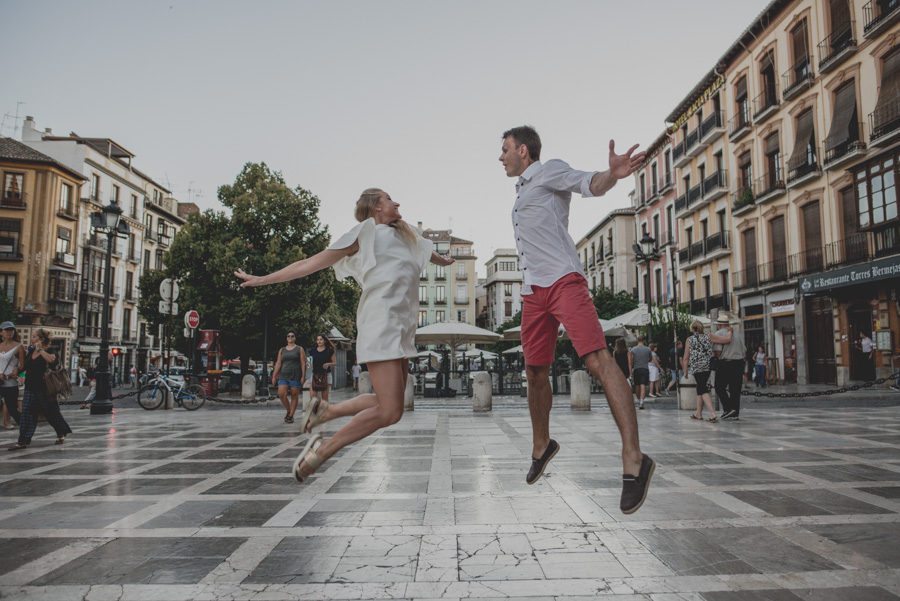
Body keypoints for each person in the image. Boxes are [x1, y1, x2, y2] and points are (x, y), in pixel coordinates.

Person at [235, 188, 453, 482]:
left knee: (392, 408)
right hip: (381, 322)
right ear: (375, 207)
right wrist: (262, 279)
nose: (397, 202)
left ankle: (326, 411)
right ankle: (324, 449)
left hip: (402, 328)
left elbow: (430, 253)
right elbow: (310, 263)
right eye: (389, 199)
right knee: (388, 411)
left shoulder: (407, 235)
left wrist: (446, 261)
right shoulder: (365, 233)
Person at [499, 125, 653, 514]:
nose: (500, 158)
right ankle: (541, 445)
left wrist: (612, 176)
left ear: (522, 150)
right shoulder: (521, 192)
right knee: (535, 370)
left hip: (564, 282)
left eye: (504, 150)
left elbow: (590, 184)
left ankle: (634, 458)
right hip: (533, 290)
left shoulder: (548, 170)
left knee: (597, 359)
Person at [8, 329, 72, 450]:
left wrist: (40, 350)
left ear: (41, 339)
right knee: (26, 413)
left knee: (51, 413)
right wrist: (18, 370)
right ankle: (23, 441)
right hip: (30, 387)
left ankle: (60, 431)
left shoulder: (49, 350)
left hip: (45, 388)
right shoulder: (31, 351)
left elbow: (51, 360)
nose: (31, 339)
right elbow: (25, 366)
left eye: (34, 337)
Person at [682, 320, 732, 423]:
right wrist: (730, 331)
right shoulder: (709, 336)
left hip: (696, 367)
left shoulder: (689, 340)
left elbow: (686, 358)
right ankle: (698, 413)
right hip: (707, 366)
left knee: (703, 389)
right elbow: (726, 340)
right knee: (700, 388)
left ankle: (713, 414)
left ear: (693, 329)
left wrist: (685, 371)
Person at [713, 314, 746, 421]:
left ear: (719, 325)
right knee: (735, 389)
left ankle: (728, 408)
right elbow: (744, 351)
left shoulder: (719, 333)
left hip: (726, 363)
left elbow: (718, 352)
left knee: (719, 386)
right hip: (739, 363)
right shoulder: (737, 334)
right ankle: (735, 412)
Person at [272, 330, 306, 424]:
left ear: (295, 338)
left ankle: (290, 416)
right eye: (288, 336)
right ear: (286, 338)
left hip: (296, 375)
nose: (290, 337)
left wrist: (303, 376)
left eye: (292, 336)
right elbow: (278, 363)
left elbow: (303, 363)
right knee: (282, 394)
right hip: (283, 375)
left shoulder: (299, 349)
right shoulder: (282, 350)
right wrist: (274, 375)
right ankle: (288, 411)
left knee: (294, 396)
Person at [0, 322, 25, 429]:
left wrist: (16, 371)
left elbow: (23, 366)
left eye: (11, 330)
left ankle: (25, 427)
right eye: (6, 330)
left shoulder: (19, 346)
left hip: (10, 382)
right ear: (1, 332)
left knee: (12, 409)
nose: (9, 332)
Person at [308, 334, 336, 404]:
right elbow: (309, 363)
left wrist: (328, 364)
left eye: (321, 339)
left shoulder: (329, 351)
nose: (319, 341)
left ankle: (325, 413)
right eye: (317, 340)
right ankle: (316, 412)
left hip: (326, 375)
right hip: (315, 374)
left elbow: (334, 363)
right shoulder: (312, 351)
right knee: (312, 396)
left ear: (325, 341)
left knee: (324, 397)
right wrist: (308, 363)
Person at [629, 336, 652, 410]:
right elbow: (650, 359)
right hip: (645, 369)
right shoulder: (648, 349)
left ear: (637, 340)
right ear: (644, 340)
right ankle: (642, 401)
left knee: (637, 386)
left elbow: (631, 361)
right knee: (643, 386)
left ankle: (639, 400)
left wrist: (631, 371)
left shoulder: (633, 350)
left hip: (636, 369)